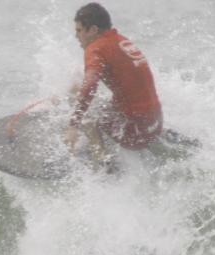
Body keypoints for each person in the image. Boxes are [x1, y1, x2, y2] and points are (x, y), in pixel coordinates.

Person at [64, 3, 163, 163]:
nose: (76, 36)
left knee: (77, 92)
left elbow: (89, 86)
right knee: (100, 99)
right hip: (155, 124)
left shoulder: (95, 48)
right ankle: (160, 134)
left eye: (79, 30)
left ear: (93, 30)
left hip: (135, 135)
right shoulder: (121, 41)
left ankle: (101, 159)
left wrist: (73, 125)